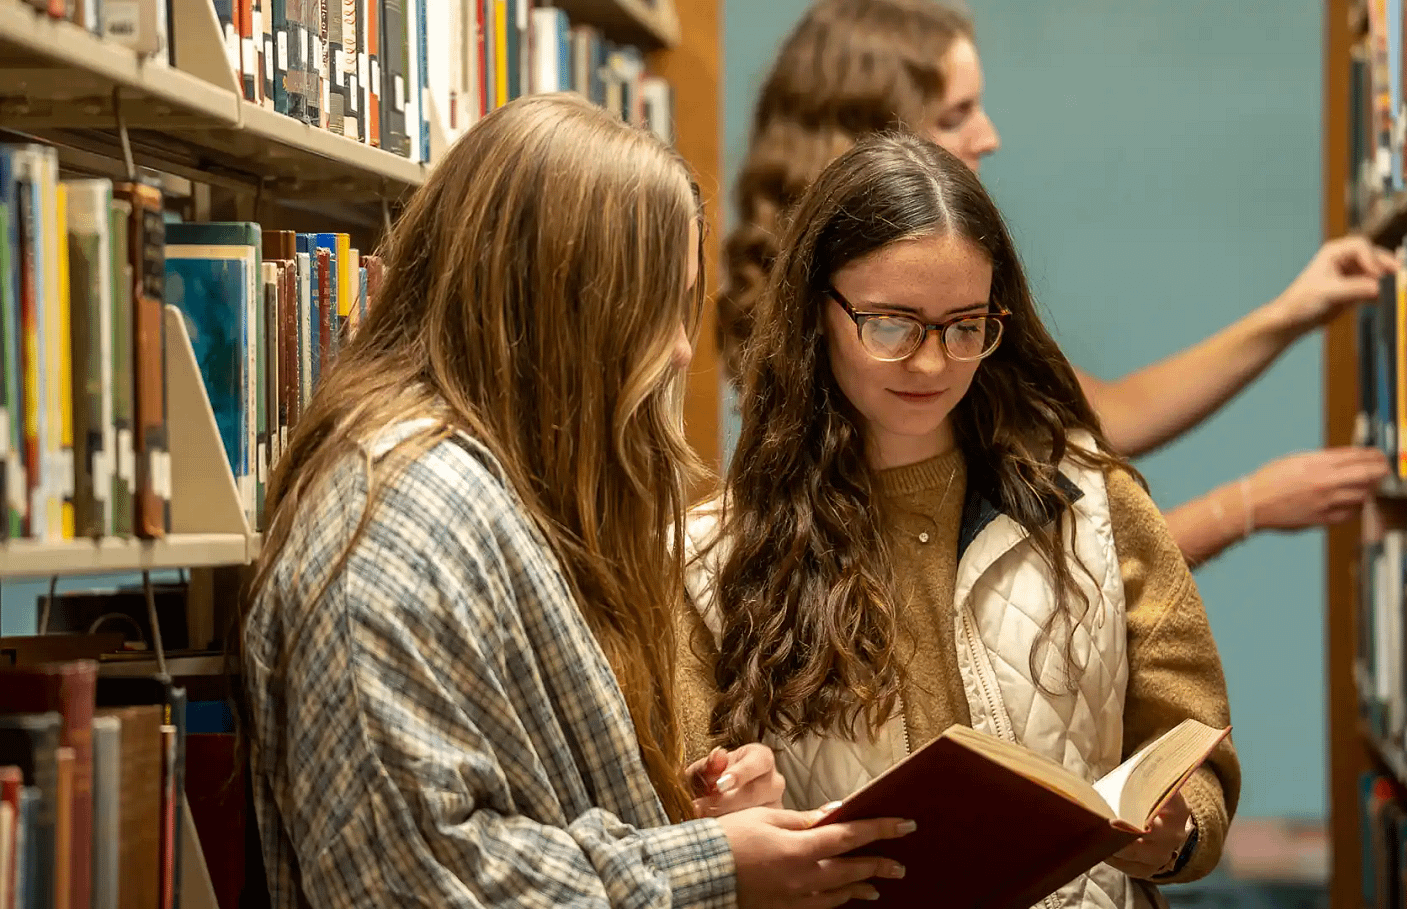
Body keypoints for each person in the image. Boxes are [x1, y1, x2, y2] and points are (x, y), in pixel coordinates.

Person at [241, 93, 913, 909]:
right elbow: (423, 882)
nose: (677, 351)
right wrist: (710, 866)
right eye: (661, 307)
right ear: (568, 306)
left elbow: (520, 809)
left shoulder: (488, 493)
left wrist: (677, 818)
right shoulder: (398, 528)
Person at [685, 131, 1241, 908]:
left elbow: (1196, 746)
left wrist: (1177, 830)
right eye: (892, 325)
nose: (932, 363)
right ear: (818, 311)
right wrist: (735, 816)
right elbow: (682, 813)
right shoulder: (713, 553)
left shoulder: (1090, 500)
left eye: (965, 325)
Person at [718, 0, 1393, 566]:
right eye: (955, 115)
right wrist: (1246, 506)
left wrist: (1291, 313)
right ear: (877, 136)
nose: (990, 136)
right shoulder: (852, 333)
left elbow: (1100, 415)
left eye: (962, 329)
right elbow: (1016, 584)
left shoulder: (947, 297)